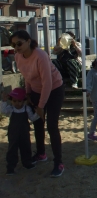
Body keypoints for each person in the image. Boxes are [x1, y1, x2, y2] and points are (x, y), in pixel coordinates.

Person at [10, 30, 65, 178]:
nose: (16, 47)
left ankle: (58, 162)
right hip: (35, 90)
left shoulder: (40, 55)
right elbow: (27, 76)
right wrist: (28, 94)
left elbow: (47, 82)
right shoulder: (18, 57)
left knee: (52, 126)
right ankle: (41, 153)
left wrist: (41, 106)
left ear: (28, 41)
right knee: (38, 123)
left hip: (54, 89)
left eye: (19, 43)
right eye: (14, 44)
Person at [1, 87, 40, 175]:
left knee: (26, 148)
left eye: (19, 101)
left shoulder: (27, 109)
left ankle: (27, 163)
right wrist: (3, 101)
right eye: (14, 101)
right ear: (11, 101)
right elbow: (3, 111)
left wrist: (37, 113)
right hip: (13, 133)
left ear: (24, 101)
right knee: (12, 149)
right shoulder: (11, 109)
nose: (17, 103)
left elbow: (32, 118)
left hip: (24, 133)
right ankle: (11, 167)